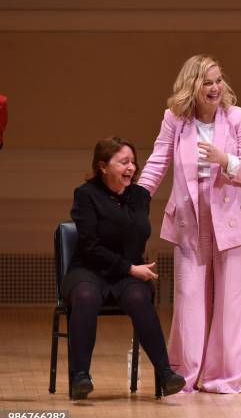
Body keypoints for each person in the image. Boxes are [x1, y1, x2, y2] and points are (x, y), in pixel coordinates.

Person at [138, 54, 241, 394]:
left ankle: (222, 378)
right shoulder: (175, 120)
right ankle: (184, 375)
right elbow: (157, 161)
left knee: (229, 305)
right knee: (189, 300)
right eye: (206, 82)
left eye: (217, 80)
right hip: (190, 224)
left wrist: (224, 160)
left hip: (235, 225)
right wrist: (136, 198)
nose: (214, 88)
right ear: (192, 86)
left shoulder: (240, 118)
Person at [62, 136, 186, 400]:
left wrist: (130, 269)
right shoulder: (85, 195)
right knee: (85, 296)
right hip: (89, 269)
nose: (131, 167)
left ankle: (165, 374)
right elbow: (90, 247)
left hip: (126, 271)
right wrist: (130, 268)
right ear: (102, 167)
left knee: (139, 297)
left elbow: (137, 234)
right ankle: (80, 376)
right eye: (123, 162)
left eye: (133, 162)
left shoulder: (139, 197)